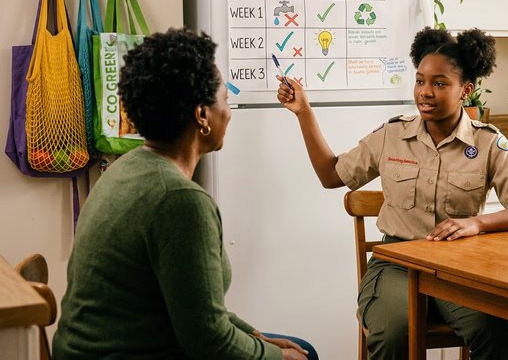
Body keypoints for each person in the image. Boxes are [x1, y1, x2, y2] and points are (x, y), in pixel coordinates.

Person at [277, 27, 508, 360]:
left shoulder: (488, 142)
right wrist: (304, 112)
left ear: (466, 90)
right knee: (391, 333)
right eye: (420, 81)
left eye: (439, 83)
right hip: (397, 264)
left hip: (459, 268)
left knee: (499, 329)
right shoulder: (392, 134)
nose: (425, 92)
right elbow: (332, 175)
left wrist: (477, 223)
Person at [52, 28, 318, 360]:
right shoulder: (179, 201)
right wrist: (276, 357)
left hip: (88, 350)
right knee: (303, 355)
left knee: (297, 348)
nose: (230, 110)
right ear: (202, 115)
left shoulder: (127, 166)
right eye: (224, 97)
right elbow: (208, 341)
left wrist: (255, 336)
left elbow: (194, 308)